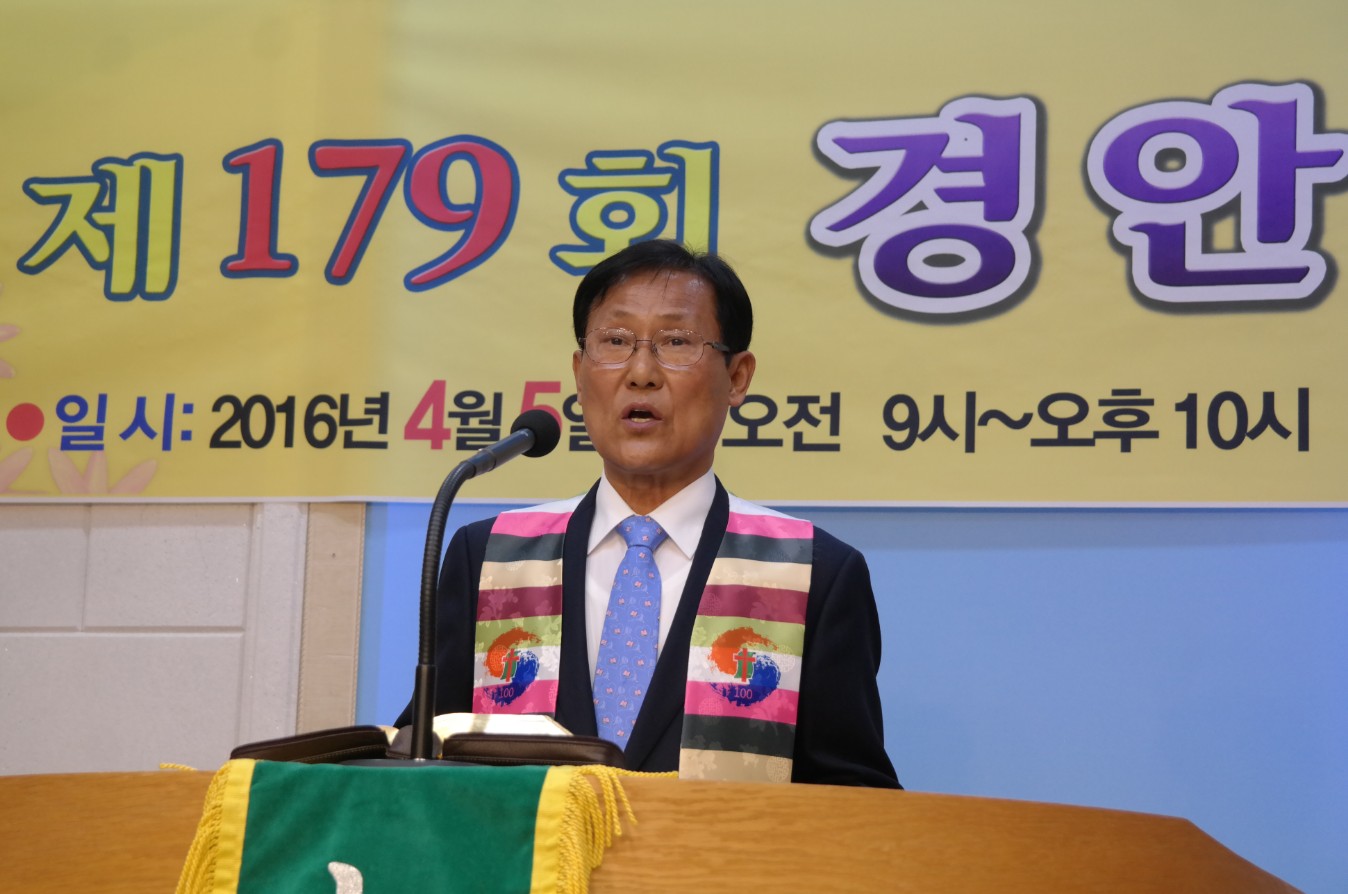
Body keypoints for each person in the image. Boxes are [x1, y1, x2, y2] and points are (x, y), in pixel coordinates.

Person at [399, 240, 899, 787]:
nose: (641, 373)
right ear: (579, 372)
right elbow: (423, 760)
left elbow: (854, 801)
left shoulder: (809, 573)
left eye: (676, 342)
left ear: (737, 377)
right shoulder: (493, 560)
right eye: (615, 341)